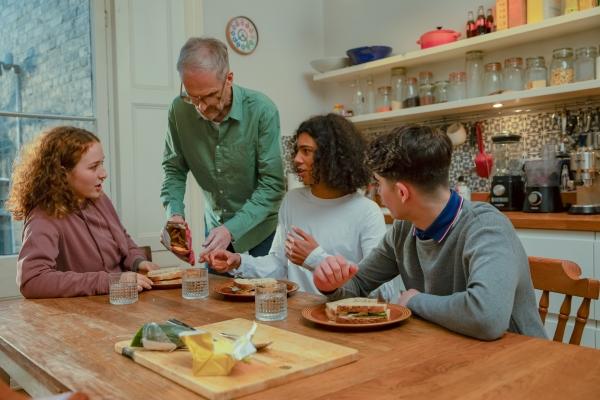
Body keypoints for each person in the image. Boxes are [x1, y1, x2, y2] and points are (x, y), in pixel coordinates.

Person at [313, 125, 546, 340]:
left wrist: (415, 300)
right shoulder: (404, 230)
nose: (378, 192)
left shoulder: (486, 227)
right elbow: (358, 284)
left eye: (379, 184)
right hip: (450, 352)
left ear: (402, 193)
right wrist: (331, 285)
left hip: (521, 365)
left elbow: (487, 318)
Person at [206, 114, 397, 301]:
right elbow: (280, 265)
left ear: (331, 156)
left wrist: (315, 258)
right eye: (297, 151)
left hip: (345, 322)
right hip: (298, 317)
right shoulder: (292, 201)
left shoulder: (366, 211)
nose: (296, 159)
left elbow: (382, 291)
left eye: (306, 151)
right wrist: (239, 261)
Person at [161, 37, 285, 263]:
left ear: (229, 79)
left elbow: (273, 185)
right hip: (216, 233)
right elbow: (174, 169)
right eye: (192, 96)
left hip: (262, 233)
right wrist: (174, 216)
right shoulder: (179, 110)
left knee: (264, 296)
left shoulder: (262, 110)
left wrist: (232, 229)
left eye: (209, 96)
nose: (200, 107)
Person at [7, 126, 157, 299]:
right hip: (82, 317)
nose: (104, 174)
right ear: (62, 174)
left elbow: (123, 240)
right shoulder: (44, 217)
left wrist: (139, 262)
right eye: (93, 167)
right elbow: (32, 281)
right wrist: (109, 281)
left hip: (122, 305)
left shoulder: (100, 199)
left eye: (102, 163)